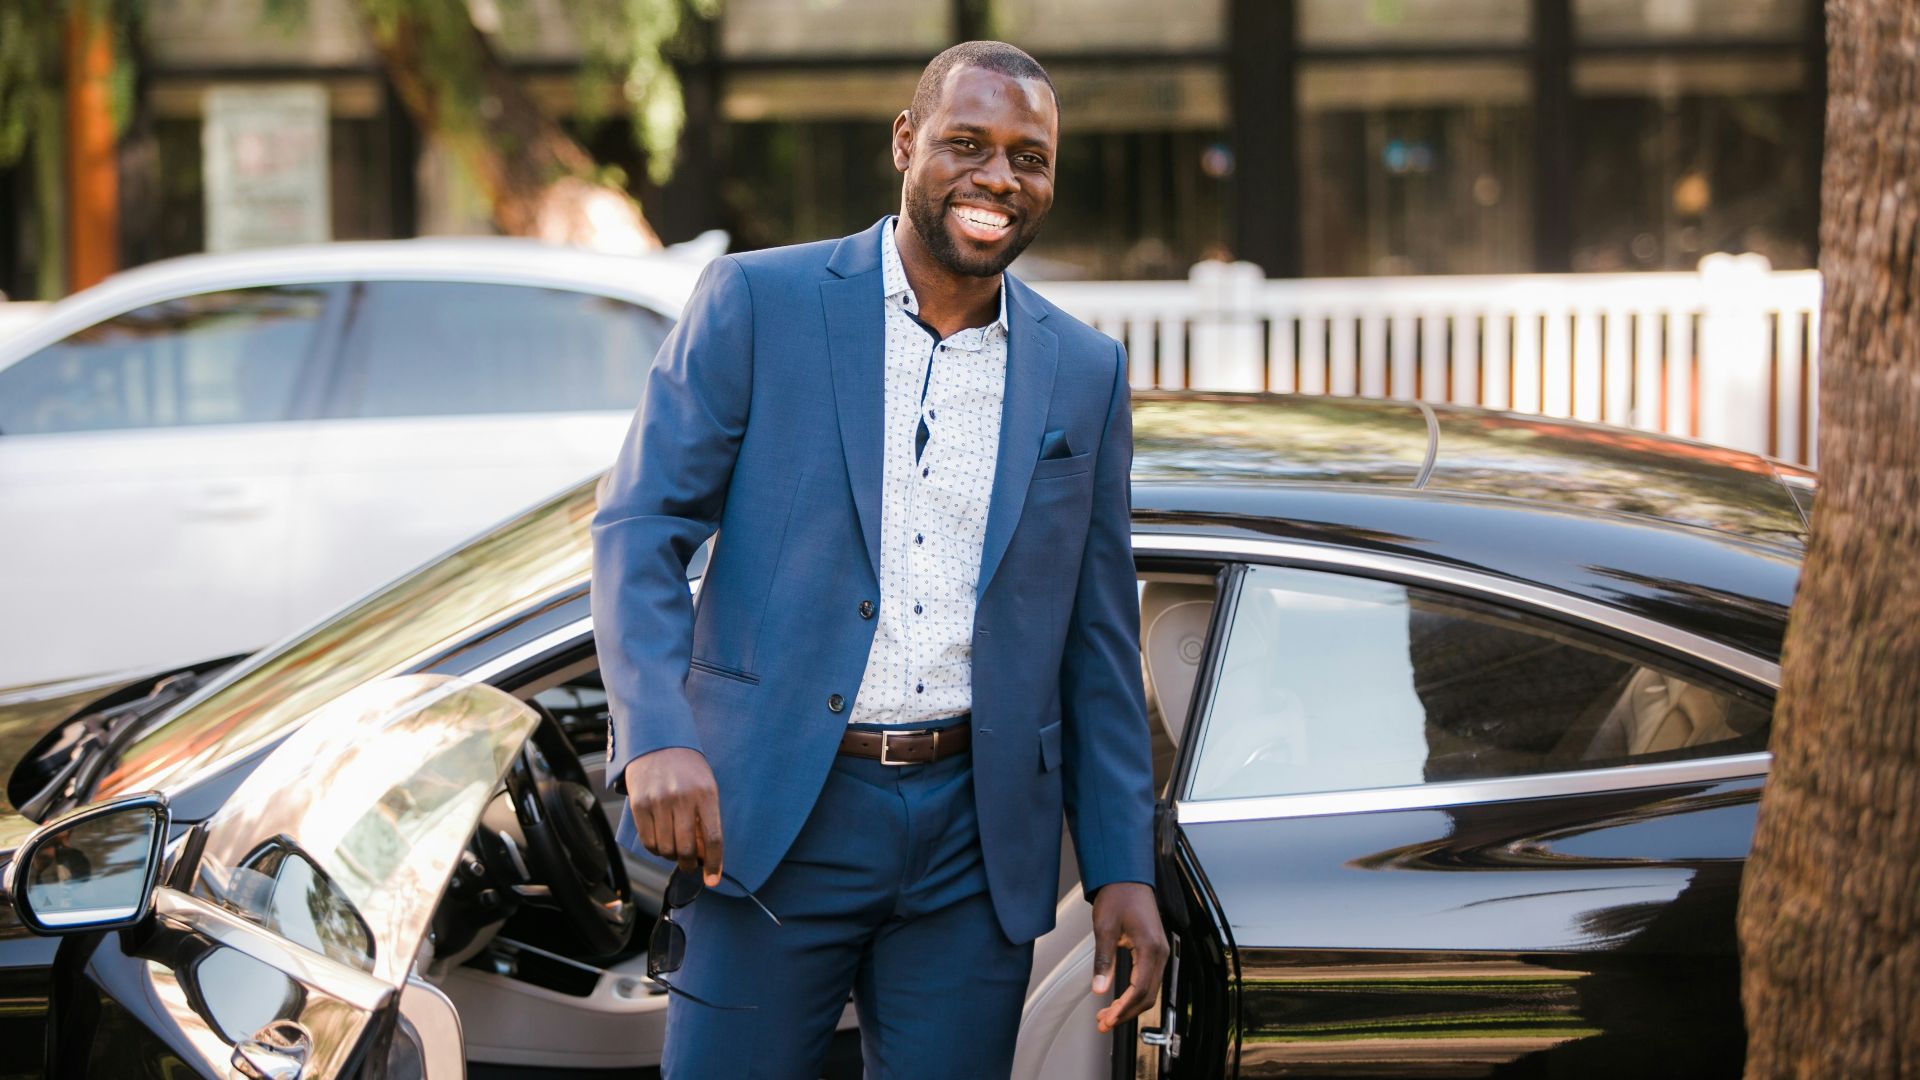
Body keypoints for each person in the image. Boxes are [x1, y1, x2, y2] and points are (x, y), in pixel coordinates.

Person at [591, 39, 1167, 1079]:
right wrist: (655, 736)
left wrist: (1124, 865)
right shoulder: (757, 304)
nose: (999, 177)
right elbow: (640, 524)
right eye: (967, 143)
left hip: (973, 835)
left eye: (1028, 157)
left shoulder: (1083, 371)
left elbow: (1098, 636)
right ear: (906, 143)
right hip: (772, 818)